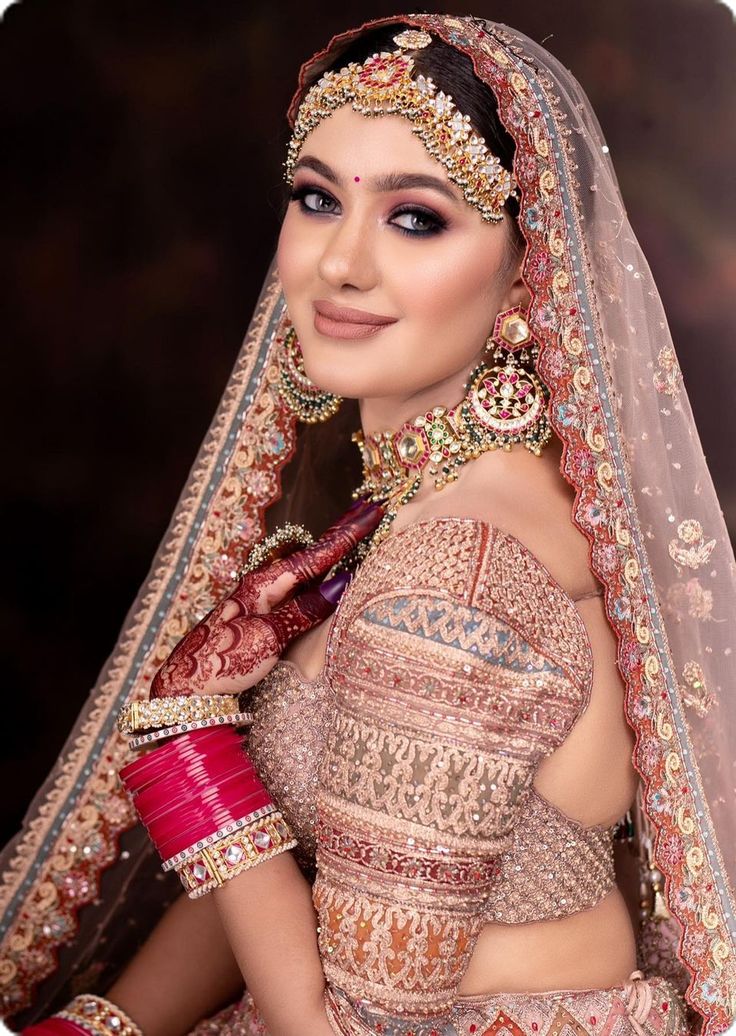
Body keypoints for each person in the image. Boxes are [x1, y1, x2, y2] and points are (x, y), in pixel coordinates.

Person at [1, 12, 734, 1036]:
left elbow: (349, 1024)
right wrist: (106, 1023)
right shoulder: (433, 506)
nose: (340, 264)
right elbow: (304, 871)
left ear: (529, 269)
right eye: (316, 199)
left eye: (416, 217)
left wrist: (190, 752)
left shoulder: (456, 575)